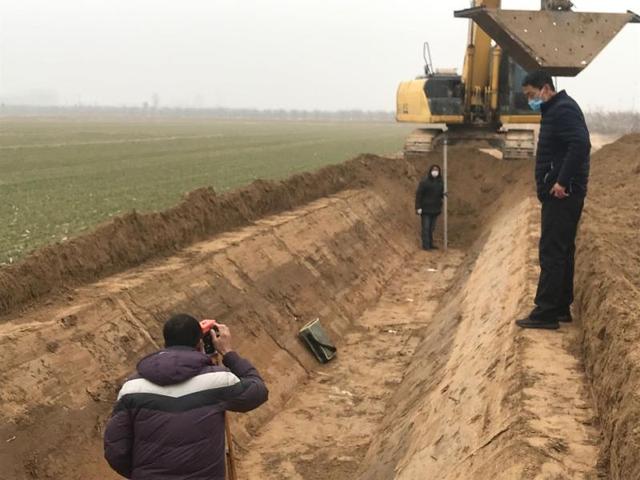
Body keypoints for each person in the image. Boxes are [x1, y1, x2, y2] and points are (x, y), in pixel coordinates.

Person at [104, 313, 268, 479]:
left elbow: (115, 450)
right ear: (200, 344)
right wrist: (227, 352)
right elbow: (258, 391)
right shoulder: (217, 380)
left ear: (165, 343)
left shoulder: (132, 387)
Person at [516, 70, 591, 330]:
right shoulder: (556, 110)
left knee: (551, 252)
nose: (530, 100)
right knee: (562, 250)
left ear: (545, 89)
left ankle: (545, 312)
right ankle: (559, 307)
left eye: (531, 95)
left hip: (562, 195)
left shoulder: (562, 110)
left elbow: (580, 144)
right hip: (564, 194)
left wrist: (561, 181)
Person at [415, 164, 445, 250]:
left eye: (437, 170)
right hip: (426, 209)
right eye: (433, 170)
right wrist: (418, 207)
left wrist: (443, 194)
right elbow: (419, 194)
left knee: (431, 228)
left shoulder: (440, 182)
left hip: (435, 209)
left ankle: (430, 244)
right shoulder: (425, 182)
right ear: (430, 171)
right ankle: (426, 246)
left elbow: (439, 194)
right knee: (426, 228)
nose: (435, 172)